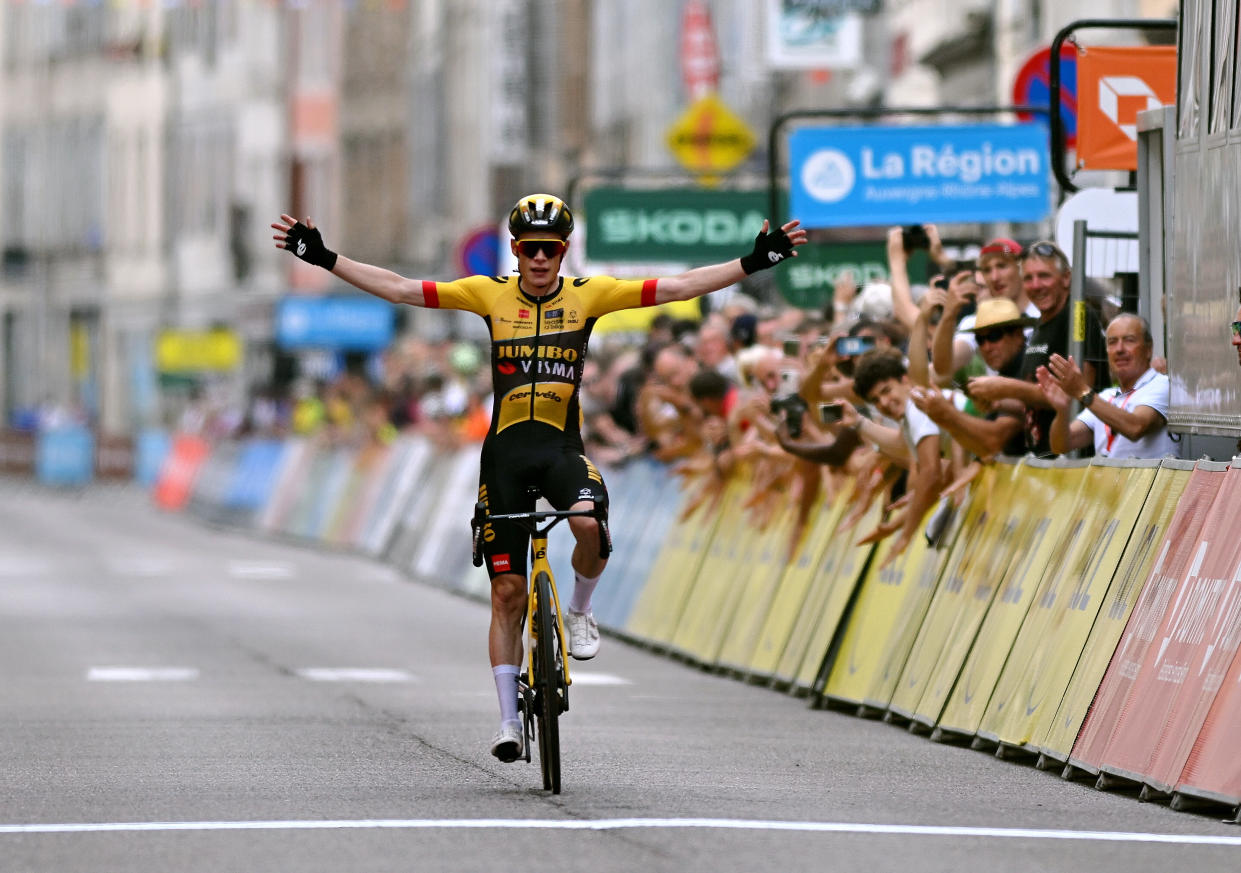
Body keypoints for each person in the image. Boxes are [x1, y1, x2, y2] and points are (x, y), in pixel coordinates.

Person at [272, 195, 806, 763]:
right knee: (506, 593)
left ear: (564, 252)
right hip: (503, 456)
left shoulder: (589, 296)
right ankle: (507, 720)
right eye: (530, 250)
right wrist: (326, 258)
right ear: (516, 251)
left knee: (589, 524)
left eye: (551, 250)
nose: (540, 260)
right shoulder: (488, 292)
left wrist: (752, 263)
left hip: (559, 448)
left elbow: (677, 287)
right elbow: (403, 288)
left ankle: (578, 609)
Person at [1035, 313, 1177, 459]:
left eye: (1129, 340)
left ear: (1149, 349)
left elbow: (1136, 427)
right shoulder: (1105, 397)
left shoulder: (1163, 384)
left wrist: (1082, 391)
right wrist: (1062, 411)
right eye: (1112, 342)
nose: (1119, 349)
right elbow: (1061, 445)